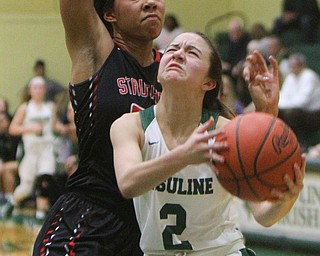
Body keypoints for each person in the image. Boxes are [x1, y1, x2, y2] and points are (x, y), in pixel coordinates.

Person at [110, 32, 305, 255]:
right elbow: (128, 183)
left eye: (191, 52)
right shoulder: (131, 125)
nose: (178, 55)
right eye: (172, 50)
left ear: (209, 82)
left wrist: (286, 199)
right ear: (158, 72)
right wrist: (184, 156)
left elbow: (263, 215)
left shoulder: (227, 133)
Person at [33, 0, 164, 255]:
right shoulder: (97, 51)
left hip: (145, 229)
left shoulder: (172, 69)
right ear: (109, 14)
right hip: (89, 219)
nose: (150, 3)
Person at [8, 76, 60, 221]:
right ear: (30, 90)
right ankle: (13, 201)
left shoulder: (50, 107)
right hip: (30, 150)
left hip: (46, 149)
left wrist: (70, 129)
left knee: (45, 178)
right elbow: (12, 128)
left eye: (41, 87)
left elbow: (56, 127)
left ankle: (41, 214)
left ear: (45, 90)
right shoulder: (25, 108)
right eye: (35, 87)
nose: (38, 90)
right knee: (26, 187)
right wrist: (30, 128)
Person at [278, 53, 320, 149]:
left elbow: (302, 102)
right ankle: (283, 142)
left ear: (302, 65)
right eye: (291, 66)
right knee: (278, 111)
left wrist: (284, 104)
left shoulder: (309, 76)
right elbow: (282, 96)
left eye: (295, 66)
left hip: (314, 113)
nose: (292, 69)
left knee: (291, 113)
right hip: (296, 109)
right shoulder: (290, 77)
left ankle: (300, 142)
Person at [0, 111, 20, 217]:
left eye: (2, 121)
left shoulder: (17, 137)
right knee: (4, 169)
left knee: (6, 169)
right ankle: (6, 199)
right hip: (7, 165)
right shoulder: (1, 137)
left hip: (22, 162)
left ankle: (9, 200)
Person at [221, 18, 251, 82]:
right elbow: (225, 58)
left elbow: (246, 57)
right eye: (231, 32)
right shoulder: (228, 42)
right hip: (230, 70)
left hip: (241, 69)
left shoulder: (247, 41)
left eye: (236, 31)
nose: (233, 34)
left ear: (241, 31)